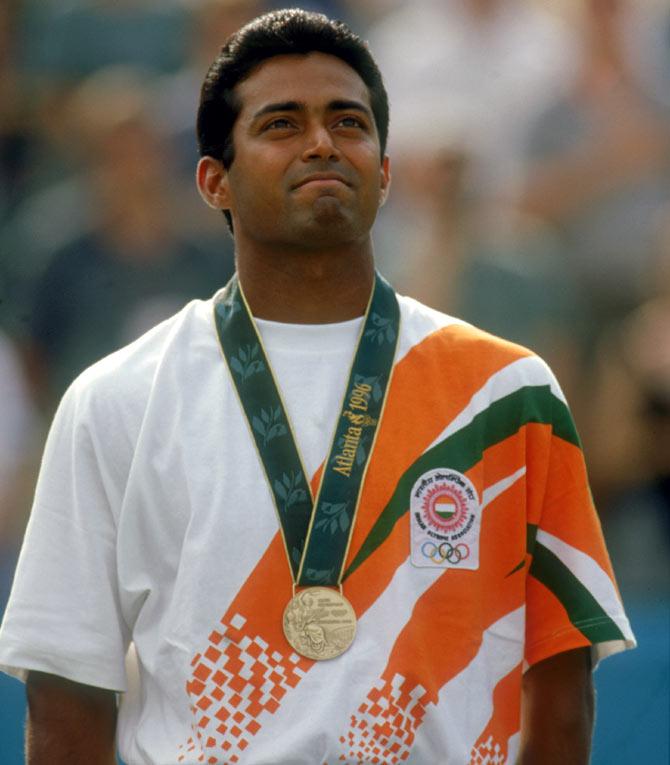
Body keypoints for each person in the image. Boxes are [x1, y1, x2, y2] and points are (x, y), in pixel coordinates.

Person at [0, 9, 635, 764]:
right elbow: (67, 697)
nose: (323, 142)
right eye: (280, 125)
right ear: (213, 181)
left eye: (349, 122)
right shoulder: (115, 400)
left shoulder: (506, 393)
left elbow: (562, 691)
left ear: (386, 171)